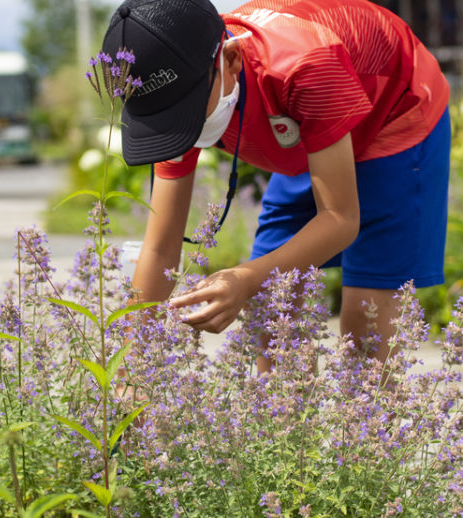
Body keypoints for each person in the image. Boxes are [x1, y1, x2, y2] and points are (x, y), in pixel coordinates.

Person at [102, 0, 450, 371]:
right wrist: (129, 371)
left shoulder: (303, 65)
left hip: (395, 115)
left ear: (231, 60)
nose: (180, 132)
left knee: (365, 334)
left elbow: (340, 218)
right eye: (168, 122)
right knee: (273, 316)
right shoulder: (178, 97)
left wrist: (245, 278)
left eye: (186, 116)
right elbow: (159, 248)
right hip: (309, 127)